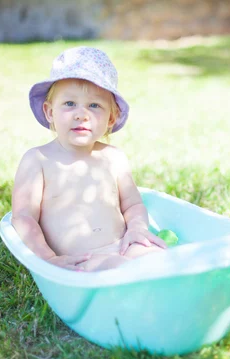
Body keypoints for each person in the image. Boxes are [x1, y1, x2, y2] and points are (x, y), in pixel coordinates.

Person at [11, 46, 166, 272]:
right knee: (118, 269)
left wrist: (137, 230)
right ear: (49, 112)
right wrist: (48, 259)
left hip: (122, 246)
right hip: (79, 260)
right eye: (69, 103)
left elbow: (132, 204)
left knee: (159, 257)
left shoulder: (114, 158)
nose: (81, 114)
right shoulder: (38, 160)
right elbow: (23, 218)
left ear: (111, 118)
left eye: (94, 105)